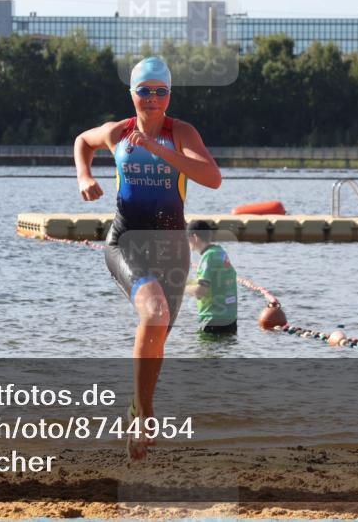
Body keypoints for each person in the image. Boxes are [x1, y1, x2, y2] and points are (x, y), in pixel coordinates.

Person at [74, 56, 222, 461]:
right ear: (133, 94)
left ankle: (136, 412)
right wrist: (84, 177)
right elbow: (82, 142)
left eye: (160, 91)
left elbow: (212, 177)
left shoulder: (182, 133)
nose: (152, 99)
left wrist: (158, 148)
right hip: (127, 241)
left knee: (157, 341)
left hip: (172, 246)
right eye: (144, 91)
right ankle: (146, 415)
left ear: (169, 96)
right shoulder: (117, 132)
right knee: (154, 314)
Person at [184, 220, 239, 335]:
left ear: (195, 237)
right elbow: (213, 283)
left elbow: (200, 291)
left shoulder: (208, 256)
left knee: (205, 352)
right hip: (230, 319)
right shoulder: (220, 252)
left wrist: (180, 288)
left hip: (213, 320)